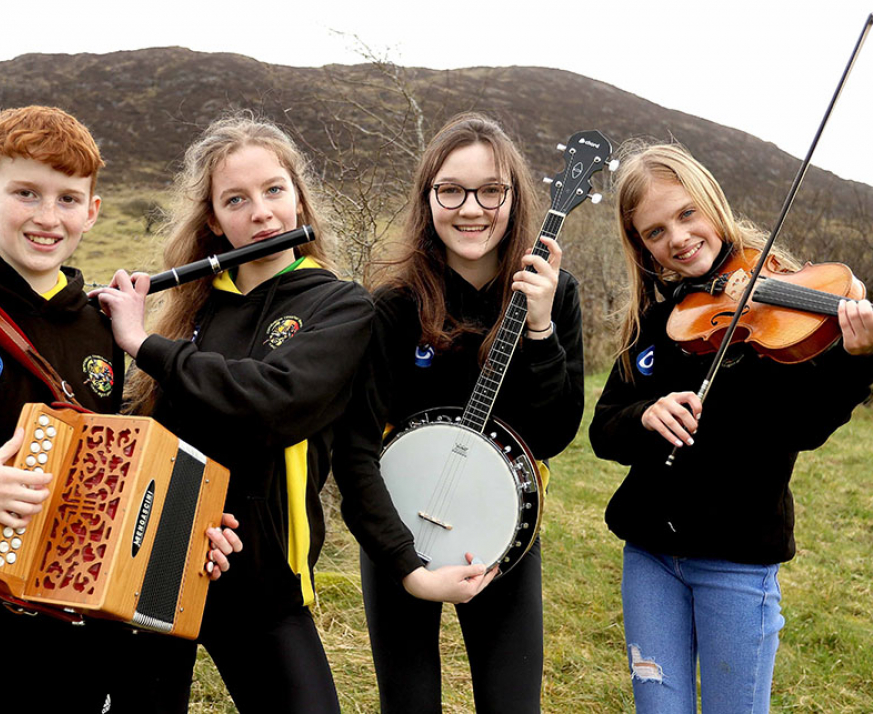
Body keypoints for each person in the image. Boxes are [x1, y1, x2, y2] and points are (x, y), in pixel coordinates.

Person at [92, 114, 496, 713]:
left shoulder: (340, 306)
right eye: (236, 199)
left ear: (298, 197)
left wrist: (145, 344)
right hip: (158, 559)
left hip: (265, 581)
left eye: (274, 191)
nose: (261, 214)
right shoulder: (190, 310)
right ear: (212, 219)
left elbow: (273, 403)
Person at [0, 105, 238, 714]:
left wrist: (185, 536)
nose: (48, 217)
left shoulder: (98, 327)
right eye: (25, 193)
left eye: (69, 199)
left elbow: (107, 483)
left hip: (79, 635)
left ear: (92, 211)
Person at [588, 142, 873, 713]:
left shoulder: (781, 313)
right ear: (641, 245)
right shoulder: (654, 320)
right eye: (655, 231)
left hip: (738, 559)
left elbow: (807, 426)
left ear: (713, 206)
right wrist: (644, 415)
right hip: (649, 554)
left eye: (687, 214)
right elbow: (603, 430)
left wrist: (853, 360)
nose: (678, 237)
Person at [339, 112, 585, 714]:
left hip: (500, 533)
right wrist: (405, 564)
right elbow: (355, 445)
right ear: (428, 198)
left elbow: (552, 433)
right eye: (451, 189)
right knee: (410, 702)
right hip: (403, 531)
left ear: (515, 197)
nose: (470, 208)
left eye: (490, 190)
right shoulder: (395, 304)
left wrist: (541, 327)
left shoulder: (556, 291)